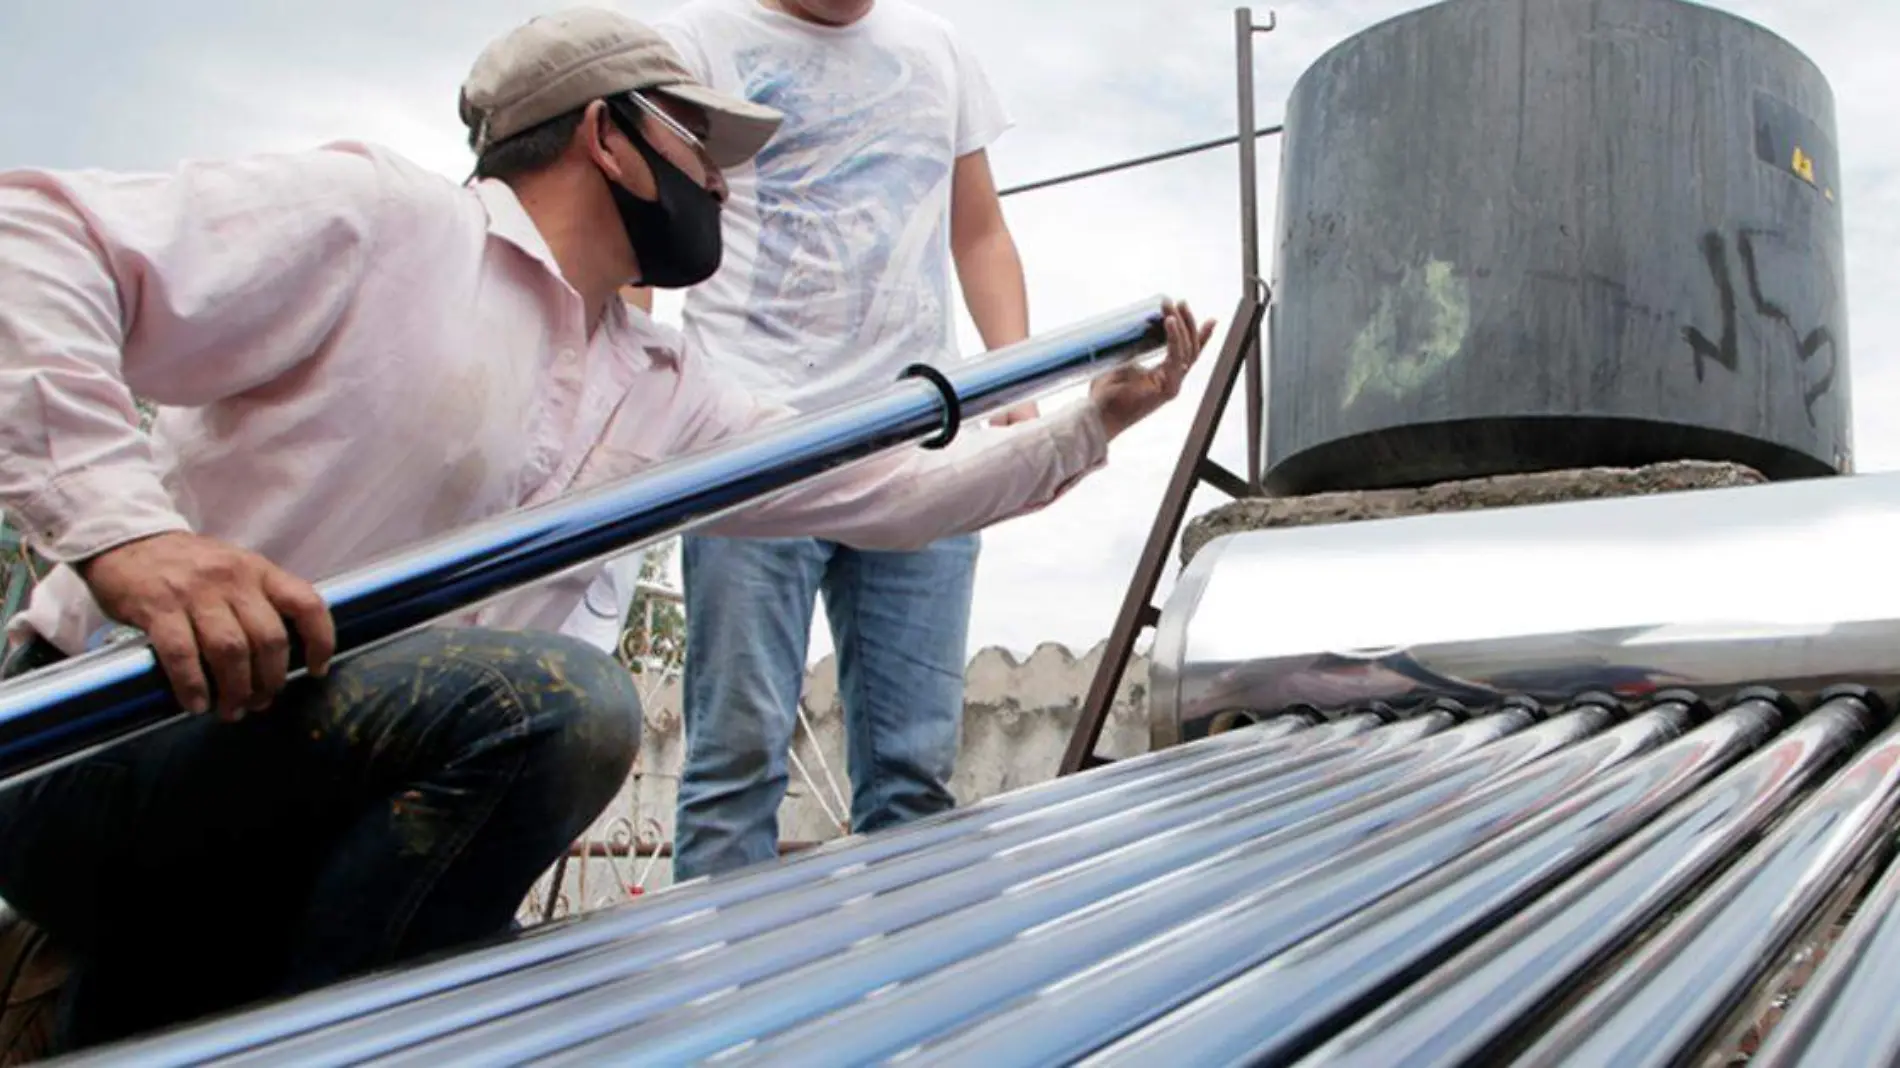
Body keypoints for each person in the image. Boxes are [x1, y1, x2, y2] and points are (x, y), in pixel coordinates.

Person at [0, 6, 1211, 1058]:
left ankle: (133, 1015)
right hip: (104, 741)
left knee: (551, 988)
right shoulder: (385, 224)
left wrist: (1090, 420)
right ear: (609, 138)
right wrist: (128, 535)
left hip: (309, 804)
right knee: (556, 702)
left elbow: (893, 494)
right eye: (706, 149)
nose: (727, 186)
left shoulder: (670, 390)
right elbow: (33, 237)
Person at [642, 0, 1040, 883]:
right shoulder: (694, 43)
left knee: (913, 776)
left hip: (917, 443)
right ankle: (729, 1017)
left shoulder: (936, 49)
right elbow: (639, 237)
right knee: (735, 766)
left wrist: (1016, 377)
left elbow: (979, 231)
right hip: (751, 453)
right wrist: (621, 410)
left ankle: (907, 1009)